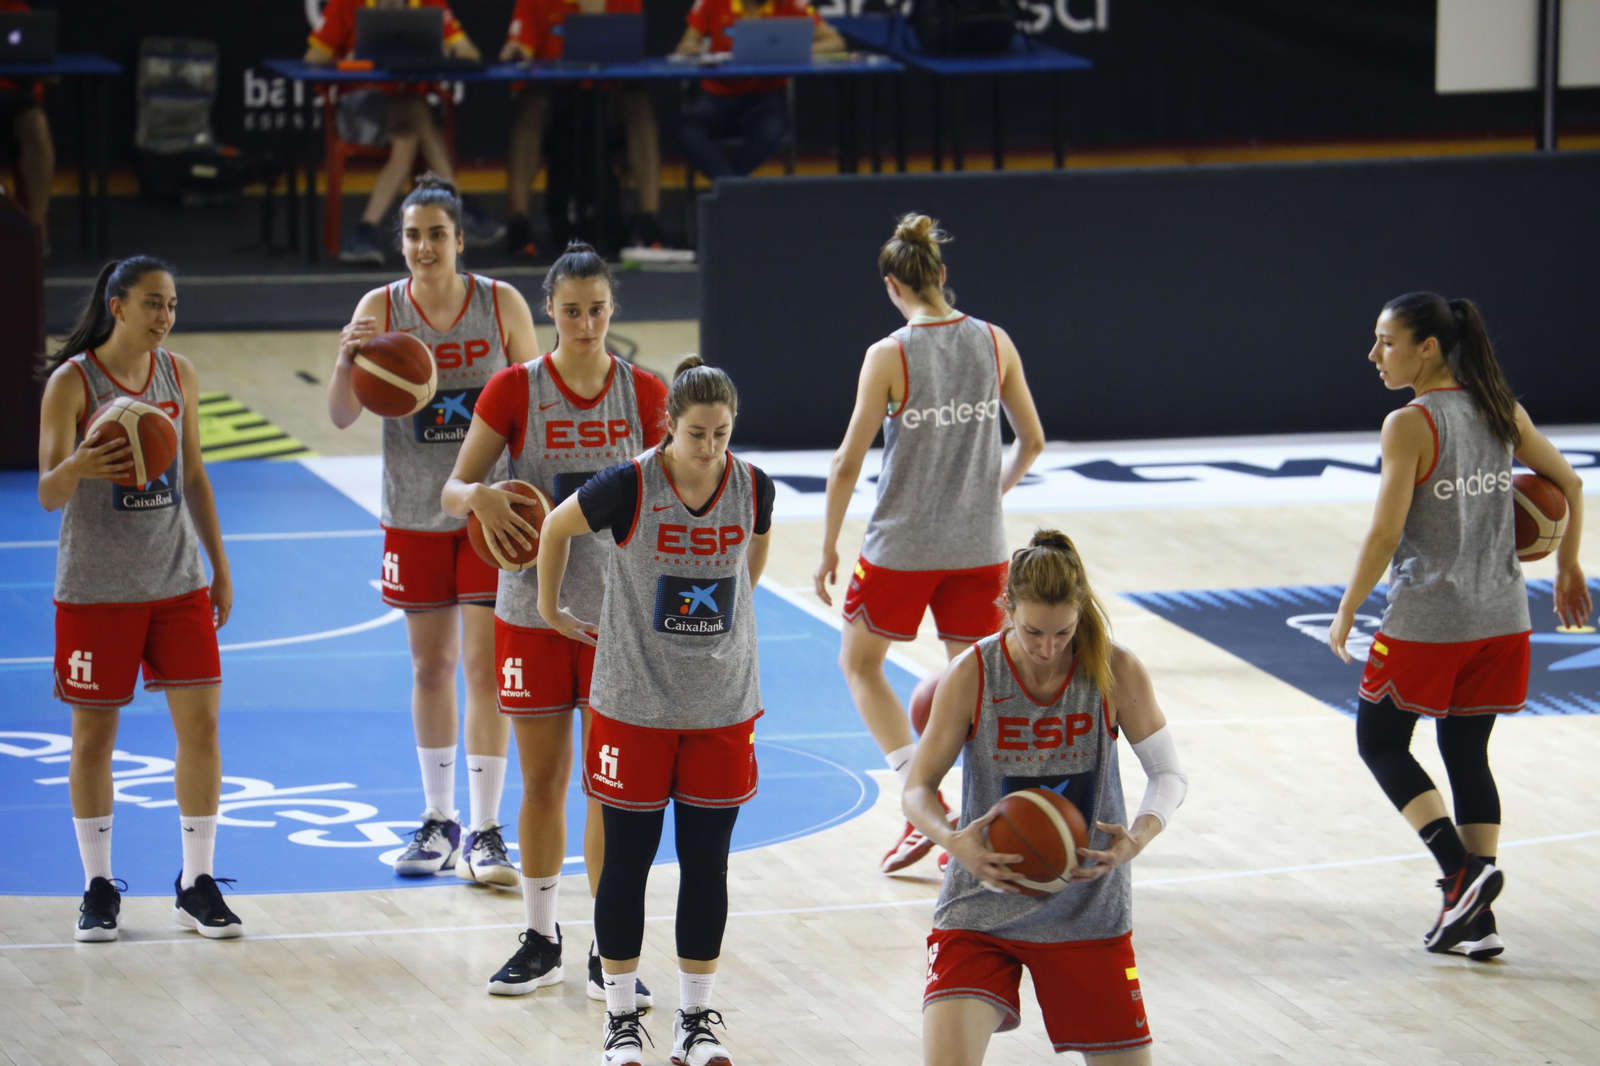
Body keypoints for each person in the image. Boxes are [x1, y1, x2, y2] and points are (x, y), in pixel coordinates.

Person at [1329, 292, 1589, 958]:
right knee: (1467, 754)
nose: (1374, 354)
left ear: (1428, 349)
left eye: (1386, 341)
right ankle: (1477, 920)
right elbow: (1571, 483)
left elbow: (1386, 532)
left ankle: (1460, 872)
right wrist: (1568, 565)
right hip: (1503, 618)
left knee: (1380, 742)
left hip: (1429, 619)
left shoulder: (1409, 423)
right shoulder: (1501, 410)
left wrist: (1349, 605)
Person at [441, 241, 667, 1004]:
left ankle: (609, 945)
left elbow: (669, 495)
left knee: (610, 790)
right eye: (571, 311)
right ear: (549, 310)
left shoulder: (644, 394)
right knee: (541, 782)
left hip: (614, 620)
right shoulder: (515, 388)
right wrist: (479, 497)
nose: (585, 324)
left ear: (612, 309)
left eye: (597, 310)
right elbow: (453, 487)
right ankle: (541, 938)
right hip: (530, 613)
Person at [536, 357, 774, 1066]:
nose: (709, 447)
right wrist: (551, 609)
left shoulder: (754, 486)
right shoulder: (630, 484)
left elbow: (753, 558)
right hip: (634, 706)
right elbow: (554, 527)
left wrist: (728, 620)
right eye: (696, 433)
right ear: (668, 425)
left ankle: (694, 1022)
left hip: (721, 706)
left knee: (707, 866)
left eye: (721, 433)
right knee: (627, 865)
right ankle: (619, 1020)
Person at [814, 213, 1046, 873]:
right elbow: (1032, 441)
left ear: (893, 286)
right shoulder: (995, 341)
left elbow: (846, 463)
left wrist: (828, 547)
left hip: (903, 544)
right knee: (977, 687)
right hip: (980, 545)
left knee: (860, 666)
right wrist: (990, 494)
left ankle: (923, 800)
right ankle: (981, 818)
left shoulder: (889, 354)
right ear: (942, 274)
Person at [328, 174, 540, 889]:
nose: (425, 246)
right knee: (430, 668)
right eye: (413, 235)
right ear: (401, 243)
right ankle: (438, 818)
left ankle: (486, 829)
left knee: (484, 668)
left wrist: (529, 500)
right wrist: (345, 361)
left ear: (459, 239)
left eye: (437, 234)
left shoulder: (500, 304)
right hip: (413, 514)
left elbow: (532, 403)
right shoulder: (378, 308)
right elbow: (341, 416)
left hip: (486, 514)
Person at [905, 531, 1187, 1066]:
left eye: (1063, 632)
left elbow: (1169, 774)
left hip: (1089, 911)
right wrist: (951, 839)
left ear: (1081, 613)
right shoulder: (972, 673)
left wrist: (1139, 836)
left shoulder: (1114, 669)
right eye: (1033, 631)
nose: (1048, 648)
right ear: (1007, 607)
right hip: (980, 909)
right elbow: (917, 788)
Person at [36, 257, 240, 941]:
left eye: (172, 304)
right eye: (153, 303)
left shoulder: (178, 374)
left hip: (177, 580)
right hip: (96, 587)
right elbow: (47, 492)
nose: (165, 316)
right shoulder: (74, 381)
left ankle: (196, 881)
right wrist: (80, 464)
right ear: (117, 306)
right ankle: (98, 885)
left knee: (202, 729)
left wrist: (219, 567)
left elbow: (195, 476)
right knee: (93, 738)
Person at [304, 0, 502, 264]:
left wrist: (445, 52)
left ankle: (364, 230)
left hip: (404, 114)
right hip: (359, 109)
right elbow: (312, 58)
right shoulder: (346, 3)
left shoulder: (430, 4)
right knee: (416, 108)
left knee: (407, 136)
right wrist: (349, 61)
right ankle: (459, 205)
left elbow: (469, 52)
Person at [500, 0, 667, 256]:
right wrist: (514, 52)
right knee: (531, 104)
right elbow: (517, 49)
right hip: (557, 99)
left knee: (638, 103)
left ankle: (649, 221)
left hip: (607, 99)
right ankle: (518, 222)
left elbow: (632, 56)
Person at [674, 0, 844, 179]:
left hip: (764, 100)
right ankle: (734, 186)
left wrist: (794, 50)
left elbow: (835, 42)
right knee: (689, 133)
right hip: (716, 99)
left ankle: (729, 186)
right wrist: (691, 48)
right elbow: (687, 44)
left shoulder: (791, 4)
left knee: (772, 131)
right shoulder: (711, 2)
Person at [0, 1, 53, 250]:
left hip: (14, 99)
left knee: (36, 126)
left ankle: (35, 232)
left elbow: (34, 60)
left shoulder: (15, 9)